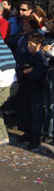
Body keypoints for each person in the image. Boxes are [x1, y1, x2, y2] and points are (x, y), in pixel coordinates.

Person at [17, 33, 48, 150]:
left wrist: (28, 72)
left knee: (36, 114)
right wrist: (26, 71)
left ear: (39, 45)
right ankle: (28, 133)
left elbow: (37, 74)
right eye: (28, 44)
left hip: (36, 88)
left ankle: (35, 138)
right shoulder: (28, 55)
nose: (29, 46)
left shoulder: (41, 58)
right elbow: (21, 69)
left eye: (31, 44)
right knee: (27, 112)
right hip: (26, 88)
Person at [42, 13, 54, 144]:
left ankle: (51, 132)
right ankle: (45, 131)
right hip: (45, 71)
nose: (46, 24)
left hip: (52, 71)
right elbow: (41, 48)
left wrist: (47, 50)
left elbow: (51, 52)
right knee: (46, 104)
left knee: (51, 104)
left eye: (49, 22)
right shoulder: (46, 36)